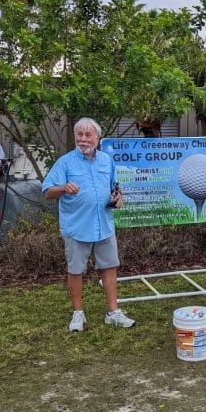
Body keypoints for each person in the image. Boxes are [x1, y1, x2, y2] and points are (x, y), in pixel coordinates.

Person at [41, 117, 134, 331]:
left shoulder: (106, 161)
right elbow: (47, 191)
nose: (83, 139)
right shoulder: (65, 162)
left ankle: (113, 313)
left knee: (109, 267)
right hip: (77, 227)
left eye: (87, 135)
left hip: (104, 225)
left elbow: (114, 187)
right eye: (79, 135)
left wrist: (118, 197)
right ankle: (78, 314)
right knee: (75, 271)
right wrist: (63, 187)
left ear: (98, 138)